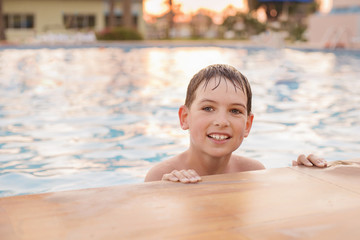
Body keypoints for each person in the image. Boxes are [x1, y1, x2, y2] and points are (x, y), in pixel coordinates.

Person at [145, 64, 327, 183]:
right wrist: (165, 195)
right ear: (185, 118)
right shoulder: (160, 177)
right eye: (208, 108)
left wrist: (302, 179)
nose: (222, 122)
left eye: (235, 111)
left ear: (247, 125)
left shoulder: (253, 172)